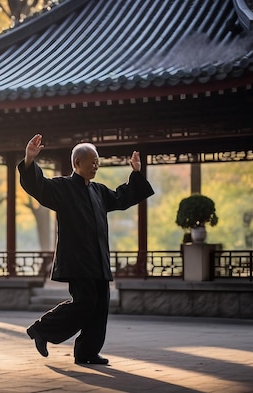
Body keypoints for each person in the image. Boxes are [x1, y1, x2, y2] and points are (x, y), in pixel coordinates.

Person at [18, 133, 154, 365]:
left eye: (98, 162)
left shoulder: (98, 191)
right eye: (93, 162)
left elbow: (122, 198)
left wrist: (136, 174)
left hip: (98, 259)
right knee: (85, 303)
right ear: (78, 163)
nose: (96, 166)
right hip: (77, 260)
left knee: (100, 307)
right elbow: (38, 186)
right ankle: (42, 330)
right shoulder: (61, 188)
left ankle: (87, 352)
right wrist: (29, 160)